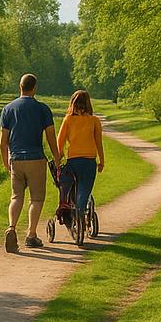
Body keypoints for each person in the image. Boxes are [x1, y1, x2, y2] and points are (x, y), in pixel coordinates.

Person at [0, 73, 60, 252]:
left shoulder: (8, 109)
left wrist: (6, 162)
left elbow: (2, 143)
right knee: (37, 198)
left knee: (16, 196)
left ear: (20, 86)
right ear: (35, 88)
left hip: (16, 159)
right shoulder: (43, 109)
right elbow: (50, 137)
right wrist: (56, 158)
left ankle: (11, 227)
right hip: (36, 159)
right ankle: (31, 235)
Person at [56, 89, 105, 223]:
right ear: (88, 104)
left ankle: (74, 210)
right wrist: (101, 161)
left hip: (73, 161)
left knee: (72, 187)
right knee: (84, 188)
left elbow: (59, 142)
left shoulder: (68, 120)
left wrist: (58, 158)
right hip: (89, 161)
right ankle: (80, 210)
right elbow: (98, 142)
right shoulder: (94, 121)